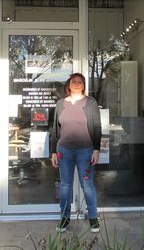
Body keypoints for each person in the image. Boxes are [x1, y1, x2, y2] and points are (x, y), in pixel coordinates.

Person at [50, 73, 101, 233]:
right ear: (69, 85)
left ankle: (93, 218)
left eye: (80, 82)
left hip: (85, 151)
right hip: (64, 151)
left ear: (83, 85)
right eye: (74, 82)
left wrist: (96, 149)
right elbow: (54, 130)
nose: (77, 84)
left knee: (87, 185)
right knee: (65, 186)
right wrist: (53, 152)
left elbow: (97, 127)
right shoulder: (60, 104)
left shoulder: (91, 103)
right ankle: (64, 219)